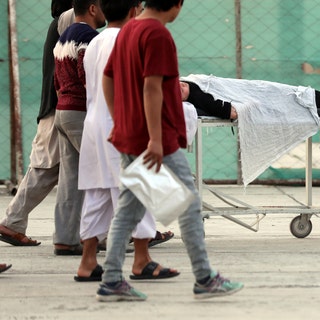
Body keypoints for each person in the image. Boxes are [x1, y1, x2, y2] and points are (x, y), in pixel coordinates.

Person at [97, 0, 243, 301]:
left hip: (130, 135)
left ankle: (111, 279)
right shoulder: (157, 34)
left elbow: (107, 78)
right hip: (156, 140)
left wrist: (118, 120)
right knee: (187, 205)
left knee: (129, 208)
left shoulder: (128, 30)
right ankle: (204, 277)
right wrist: (154, 139)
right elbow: (152, 88)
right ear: (176, 4)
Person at [75, 0, 179, 282]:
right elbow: (143, 86)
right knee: (135, 190)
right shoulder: (129, 38)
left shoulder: (94, 43)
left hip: (94, 125)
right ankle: (142, 260)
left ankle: (88, 262)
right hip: (119, 123)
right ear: (134, 10)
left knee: (97, 195)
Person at [0, 0, 73, 248]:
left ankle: (13, 222)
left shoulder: (60, 23)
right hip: (61, 109)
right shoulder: (70, 19)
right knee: (46, 168)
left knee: (49, 169)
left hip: (56, 108)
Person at [51, 0, 106, 255]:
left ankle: (65, 239)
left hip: (62, 111)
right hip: (79, 112)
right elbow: (87, 77)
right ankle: (103, 236)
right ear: (93, 9)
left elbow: (57, 80)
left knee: (70, 180)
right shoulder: (88, 35)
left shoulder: (64, 37)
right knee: (103, 174)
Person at [179, 80, 320, 119]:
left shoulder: (194, 86)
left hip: (264, 91)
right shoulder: (198, 96)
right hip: (268, 98)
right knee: (307, 99)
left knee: (308, 97)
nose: (179, 86)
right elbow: (231, 112)